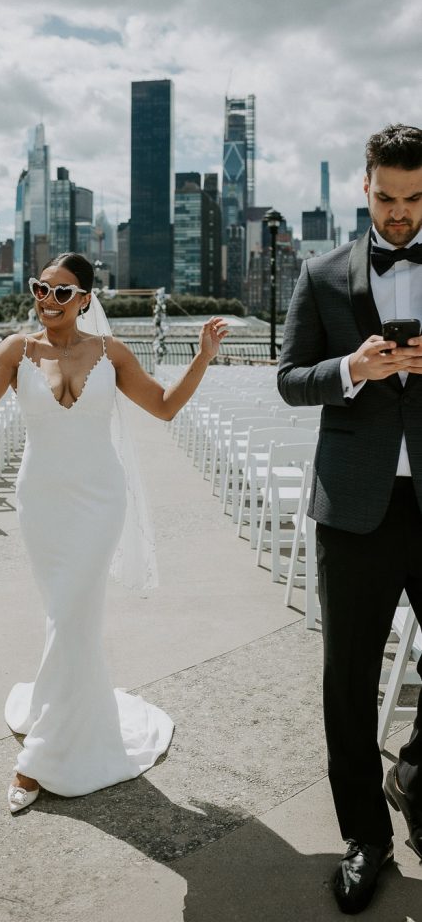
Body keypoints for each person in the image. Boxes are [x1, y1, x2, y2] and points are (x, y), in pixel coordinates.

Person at [0, 252, 227, 812]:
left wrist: (201, 358)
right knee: (65, 615)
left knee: (75, 615)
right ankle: (67, 718)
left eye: (62, 293)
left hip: (100, 502)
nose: (47, 301)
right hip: (42, 504)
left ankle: (40, 760)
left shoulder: (111, 352)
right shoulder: (15, 349)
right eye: (41, 289)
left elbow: (166, 406)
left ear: (85, 300)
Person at [278, 123, 422, 914]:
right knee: (348, 685)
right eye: (386, 197)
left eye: (413, 199)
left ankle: (413, 776)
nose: (398, 214)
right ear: (362, 187)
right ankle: (364, 836)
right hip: (352, 512)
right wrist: (351, 371)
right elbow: (289, 377)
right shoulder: (320, 272)